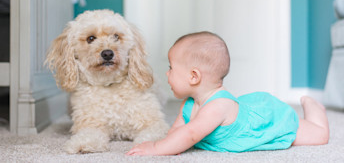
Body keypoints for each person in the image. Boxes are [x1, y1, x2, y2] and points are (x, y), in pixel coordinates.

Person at [126, 31, 330, 156]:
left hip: (265, 121)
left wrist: (155, 148)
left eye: (171, 68)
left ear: (194, 77)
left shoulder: (217, 106)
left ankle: (312, 106)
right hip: (244, 110)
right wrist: (169, 145)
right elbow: (178, 132)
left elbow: (190, 134)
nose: (167, 73)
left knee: (319, 136)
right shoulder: (188, 104)